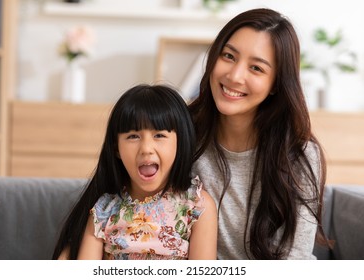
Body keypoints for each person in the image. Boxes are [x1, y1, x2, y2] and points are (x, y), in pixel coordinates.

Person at [189, 8, 329, 259]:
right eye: (229, 56)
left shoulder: (299, 154)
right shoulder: (181, 133)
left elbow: (295, 258)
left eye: (256, 68)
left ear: (276, 83)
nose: (234, 76)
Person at [53, 84, 217, 260]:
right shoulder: (104, 209)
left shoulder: (197, 206)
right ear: (116, 148)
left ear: (180, 143)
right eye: (133, 136)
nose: (146, 148)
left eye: (159, 135)